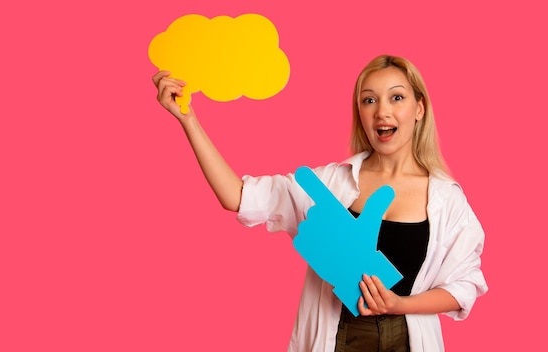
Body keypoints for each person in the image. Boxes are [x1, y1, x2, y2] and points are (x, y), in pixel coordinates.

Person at [152, 55, 487, 352]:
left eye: (396, 97)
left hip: (408, 339)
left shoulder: (446, 199)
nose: (382, 111)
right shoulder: (329, 185)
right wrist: (188, 119)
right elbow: (238, 196)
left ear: (419, 108)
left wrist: (399, 304)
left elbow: (464, 285)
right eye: (369, 100)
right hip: (336, 337)